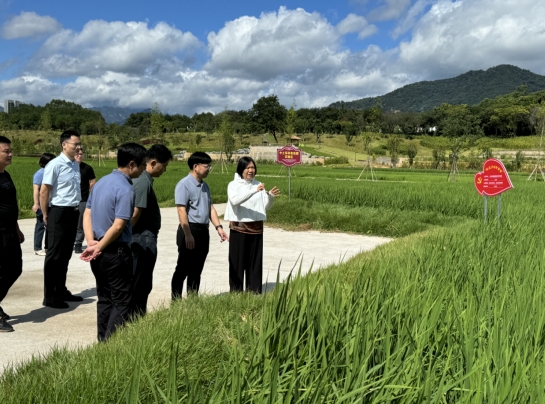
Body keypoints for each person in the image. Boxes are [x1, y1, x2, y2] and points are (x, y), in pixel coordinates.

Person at [80, 143, 147, 341]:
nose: (144, 169)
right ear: (132, 164)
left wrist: (91, 242)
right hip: (115, 253)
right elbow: (118, 226)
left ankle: (102, 341)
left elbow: (87, 214)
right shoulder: (126, 189)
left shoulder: (101, 183)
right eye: (142, 165)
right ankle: (111, 345)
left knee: (104, 299)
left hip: (98, 251)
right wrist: (98, 247)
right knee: (122, 301)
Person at [171, 152, 229, 299]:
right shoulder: (184, 185)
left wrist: (219, 227)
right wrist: (188, 234)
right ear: (195, 166)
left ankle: (192, 300)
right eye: (206, 166)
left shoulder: (204, 186)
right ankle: (176, 302)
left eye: (209, 166)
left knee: (197, 269)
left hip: (203, 231)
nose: (209, 169)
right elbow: (181, 210)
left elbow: (210, 208)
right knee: (183, 268)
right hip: (190, 230)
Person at [39, 129, 82, 309]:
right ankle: (49, 295)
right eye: (75, 144)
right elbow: (44, 191)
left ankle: (61, 289)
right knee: (54, 255)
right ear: (64, 145)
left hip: (73, 211)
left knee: (65, 253)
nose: (78, 147)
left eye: (80, 144)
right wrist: (45, 214)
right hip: (58, 212)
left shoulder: (75, 164)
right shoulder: (55, 165)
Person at [224, 157, 280, 294]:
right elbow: (235, 201)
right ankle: (236, 293)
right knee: (238, 262)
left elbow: (265, 207)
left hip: (256, 228)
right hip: (239, 228)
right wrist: (254, 190)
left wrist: (270, 197)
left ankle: (254, 292)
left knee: (254, 262)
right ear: (241, 169)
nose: (250, 170)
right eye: (247, 167)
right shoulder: (233, 185)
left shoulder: (258, 184)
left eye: (253, 167)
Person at [129, 144, 172, 316]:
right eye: (164, 166)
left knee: (142, 280)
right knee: (141, 281)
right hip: (142, 238)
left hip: (143, 236)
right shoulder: (142, 182)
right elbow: (134, 215)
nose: (164, 170)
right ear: (153, 163)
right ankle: (136, 316)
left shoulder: (143, 179)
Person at [0, 136, 24, 332]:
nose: (10, 154)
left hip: (10, 231)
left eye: (10, 151)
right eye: (6, 151)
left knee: (15, 268)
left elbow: (10, 206)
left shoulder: (5, 175)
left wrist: (16, 228)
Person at [32, 153, 55, 256]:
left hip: (51, 203)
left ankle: (47, 247)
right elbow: (36, 189)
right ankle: (37, 248)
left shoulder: (51, 172)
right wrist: (36, 203)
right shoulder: (40, 173)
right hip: (42, 204)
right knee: (40, 226)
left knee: (50, 226)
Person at [74, 149, 96, 254]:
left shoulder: (87, 168)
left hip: (83, 199)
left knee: (80, 222)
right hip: (69, 200)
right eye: (77, 154)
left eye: (81, 154)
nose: (79, 156)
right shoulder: (68, 167)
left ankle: (78, 243)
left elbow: (93, 180)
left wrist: (88, 189)